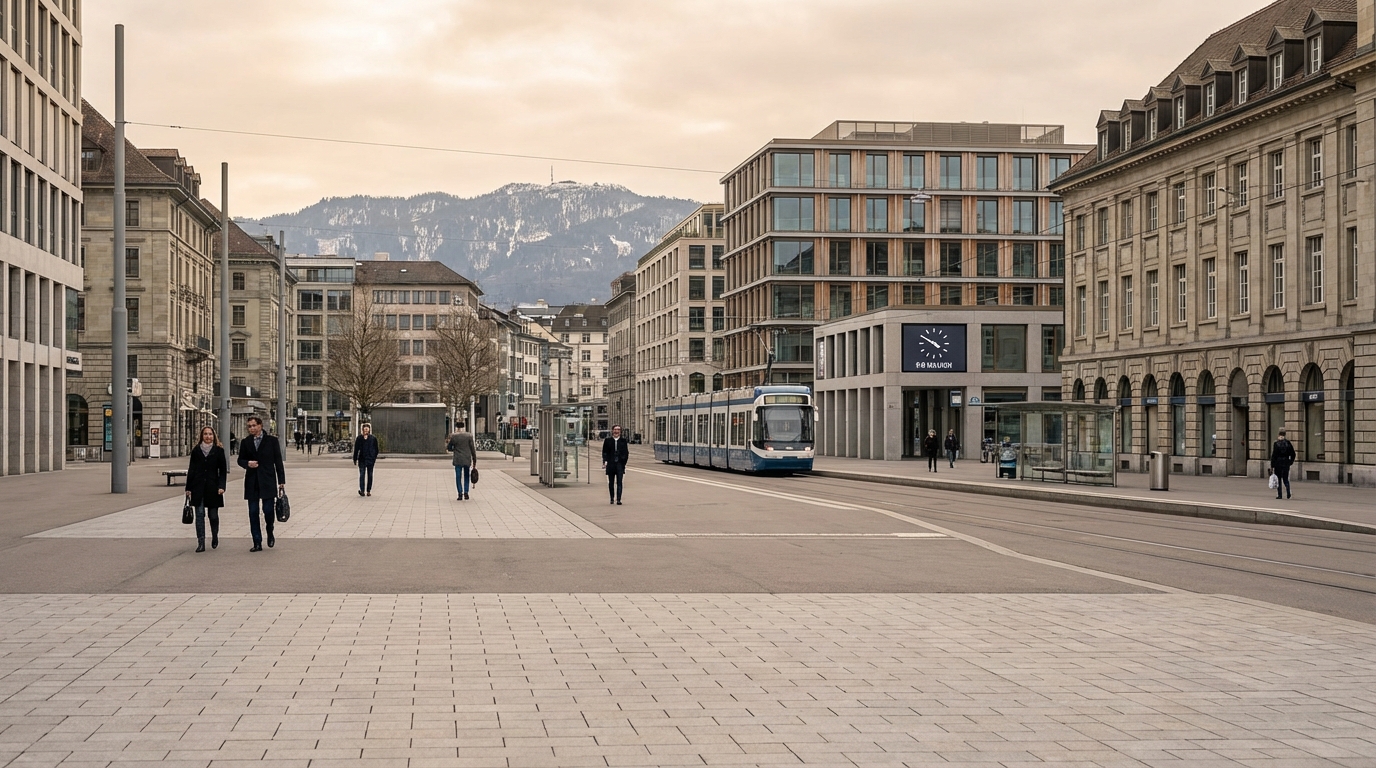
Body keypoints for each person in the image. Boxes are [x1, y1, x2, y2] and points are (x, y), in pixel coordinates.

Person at [237, 415, 286, 552]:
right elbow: (240, 460)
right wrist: (247, 463)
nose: (251, 428)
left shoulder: (272, 441)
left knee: (268, 510)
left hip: (267, 480)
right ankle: (257, 541)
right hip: (252, 481)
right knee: (253, 512)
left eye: (254, 425)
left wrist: (281, 481)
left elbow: (278, 461)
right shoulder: (246, 442)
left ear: (260, 426)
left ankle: (270, 531)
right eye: (249, 426)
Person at [184, 425, 228, 553]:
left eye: (210, 434)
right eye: (205, 434)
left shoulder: (218, 451)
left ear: (213, 436)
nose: (208, 436)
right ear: (201, 436)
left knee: (213, 516)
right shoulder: (196, 450)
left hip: (213, 487)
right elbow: (192, 469)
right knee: (199, 515)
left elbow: (223, 471)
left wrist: (222, 486)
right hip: (198, 486)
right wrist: (188, 487)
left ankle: (215, 535)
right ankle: (201, 542)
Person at [445, 422, 477, 501]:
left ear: (456, 428)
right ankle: (466, 492)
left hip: (458, 459)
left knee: (458, 476)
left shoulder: (454, 436)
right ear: (464, 427)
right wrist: (474, 459)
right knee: (466, 476)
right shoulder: (469, 436)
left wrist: (455, 449)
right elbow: (472, 449)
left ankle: (460, 493)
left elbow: (449, 447)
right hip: (467, 459)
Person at [602, 424, 629, 505]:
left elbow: (626, 452)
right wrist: (605, 461)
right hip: (611, 464)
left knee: (619, 482)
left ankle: (618, 499)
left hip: (620, 464)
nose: (616, 431)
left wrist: (623, 462)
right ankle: (611, 498)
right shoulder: (608, 441)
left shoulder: (623, 441)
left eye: (618, 430)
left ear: (620, 431)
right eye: (615, 429)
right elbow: (604, 452)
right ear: (612, 431)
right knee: (611, 482)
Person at [353, 423, 379, 497]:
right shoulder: (359, 438)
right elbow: (356, 449)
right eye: (365, 429)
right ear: (362, 430)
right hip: (362, 459)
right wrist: (355, 458)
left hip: (370, 460)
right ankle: (362, 490)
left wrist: (374, 457)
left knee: (370, 475)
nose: (366, 430)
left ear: (369, 430)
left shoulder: (373, 438)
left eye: (367, 429)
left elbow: (376, 449)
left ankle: (368, 490)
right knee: (362, 475)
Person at [1270, 429, 1296, 500]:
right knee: (1285, 478)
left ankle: (1279, 495)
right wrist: (1290, 461)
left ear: (1279, 435)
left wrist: (1272, 465)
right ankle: (1288, 493)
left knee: (1278, 479)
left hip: (1278, 463)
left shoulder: (1276, 443)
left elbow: (1274, 455)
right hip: (1286, 462)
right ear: (1284, 435)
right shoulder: (1288, 443)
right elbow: (1293, 453)